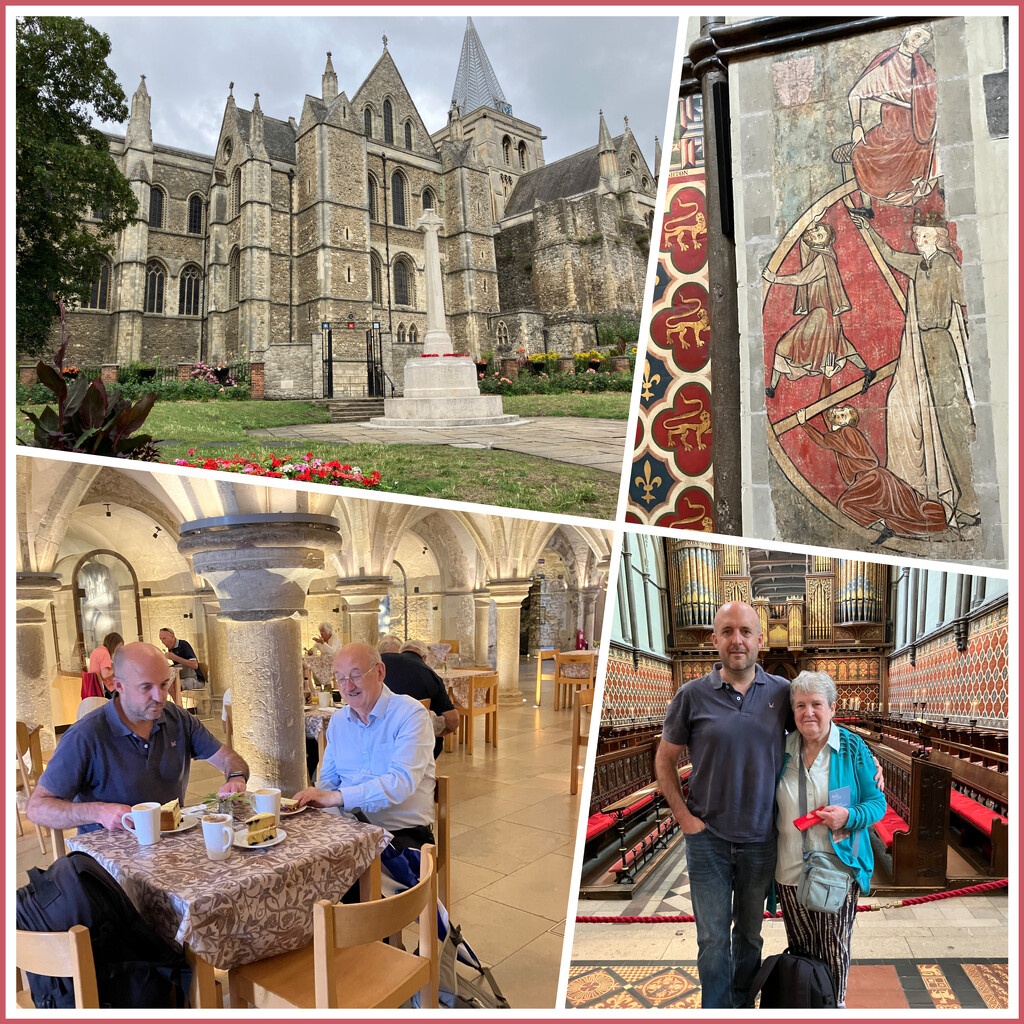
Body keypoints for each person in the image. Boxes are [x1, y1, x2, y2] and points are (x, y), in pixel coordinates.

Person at [654, 602, 792, 1008]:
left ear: (759, 640)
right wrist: (683, 817)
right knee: (712, 938)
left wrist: (867, 762)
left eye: (746, 632)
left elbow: (821, 730)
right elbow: (664, 759)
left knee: (750, 934)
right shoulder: (691, 696)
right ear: (715, 640)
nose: (737, 640)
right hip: (708, 839)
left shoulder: (783, 694)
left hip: (760, 837)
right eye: (728, 632)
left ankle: (741, 1001)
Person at [27, 642, 249, 834]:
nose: (160, 697)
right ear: (119, 686)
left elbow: (229, 760)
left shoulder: (177, 718)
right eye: (146, 688)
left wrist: (236, 777)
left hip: (168, 845)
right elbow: (37, 808)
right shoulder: (86, 735)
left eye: (164, 684)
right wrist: (98, 811)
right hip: (108, 863)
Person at [850, 209, 978, 527]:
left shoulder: (948, 266)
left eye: (923, 235)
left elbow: (968, 300)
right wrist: (867, 229)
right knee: (923, 415)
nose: (917, 239)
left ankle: (970, 500)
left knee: (953, 421)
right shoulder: (918, 265)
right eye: (916, 234)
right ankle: (945, 493)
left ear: (937, 237)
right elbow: (891, 255)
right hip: (921, 348)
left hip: (942, 345)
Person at [775, 671, 885, 1007]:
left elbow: (877, 804)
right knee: (802, 950)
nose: (809, 712)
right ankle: (806, 1006)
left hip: (836, 870)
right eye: (801, 705)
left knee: (834, 950)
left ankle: (833, 1008)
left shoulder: (852, 747)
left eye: (817, 704)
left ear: (833, 707)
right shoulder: (780, 749)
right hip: (789, 870)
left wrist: (848, 816)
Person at [294, 642, 436, 851]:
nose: (348, 686)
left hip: (399, 834)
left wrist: (336, 798)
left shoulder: (410, 715)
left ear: (379, 672)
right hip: (348, 830)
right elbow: (328, 783)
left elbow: (400, 783)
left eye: (356, 675)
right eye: (340, 678)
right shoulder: (338, 722)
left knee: (339, 875)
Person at [797, 403, 948, 544]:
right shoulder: (838, 434)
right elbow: (826, 405)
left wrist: (804, 424)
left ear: (847, 422)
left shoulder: (846, 432)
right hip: (874, 478)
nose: (838, 413)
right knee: (906, 509)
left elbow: (823, 440)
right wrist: (827, 378)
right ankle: (888, 526)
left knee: (846, 504)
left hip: (872, 478)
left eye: (844, 415)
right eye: (839, 411)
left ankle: (885, 527)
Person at [763, 222, 875, 400]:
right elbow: (805, 244)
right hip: (826, 314)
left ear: (826, 242)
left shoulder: (824, 259)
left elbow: (802, 278)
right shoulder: (819, 254)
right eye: (816, 231)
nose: (815, 235)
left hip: (821, 314)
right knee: (841, 347)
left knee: (784, 346)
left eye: (820, 235)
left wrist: (774, 278)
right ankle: (868, 371)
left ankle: (772, 388)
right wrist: (810, 223)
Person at [842, 26, 937, 210]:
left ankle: (905, 196)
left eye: (924, 41)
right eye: (917, 36)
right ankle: (870, 206)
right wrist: (857, 125)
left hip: (916, 129)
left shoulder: (921, 67)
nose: (918, 43)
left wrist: (896, 101)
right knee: (861, 152)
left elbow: (931, 98)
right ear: (906, 32)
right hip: (890, 127)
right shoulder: (886, 62)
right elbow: (855, 94)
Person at [382, 641, 459, 758]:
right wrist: (440, 733)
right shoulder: (429, 674)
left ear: (401, 651)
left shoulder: (381, 662)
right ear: (424, 657)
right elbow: (452, 719)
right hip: (415, 745)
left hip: (379, 741)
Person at [87, 631, 123, 699]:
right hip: (106, 687)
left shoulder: (96, 651)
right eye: (119, 647)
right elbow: (105, 674)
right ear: (114, 644)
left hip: (95, 686)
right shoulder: (105, 653)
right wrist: (116, 667)